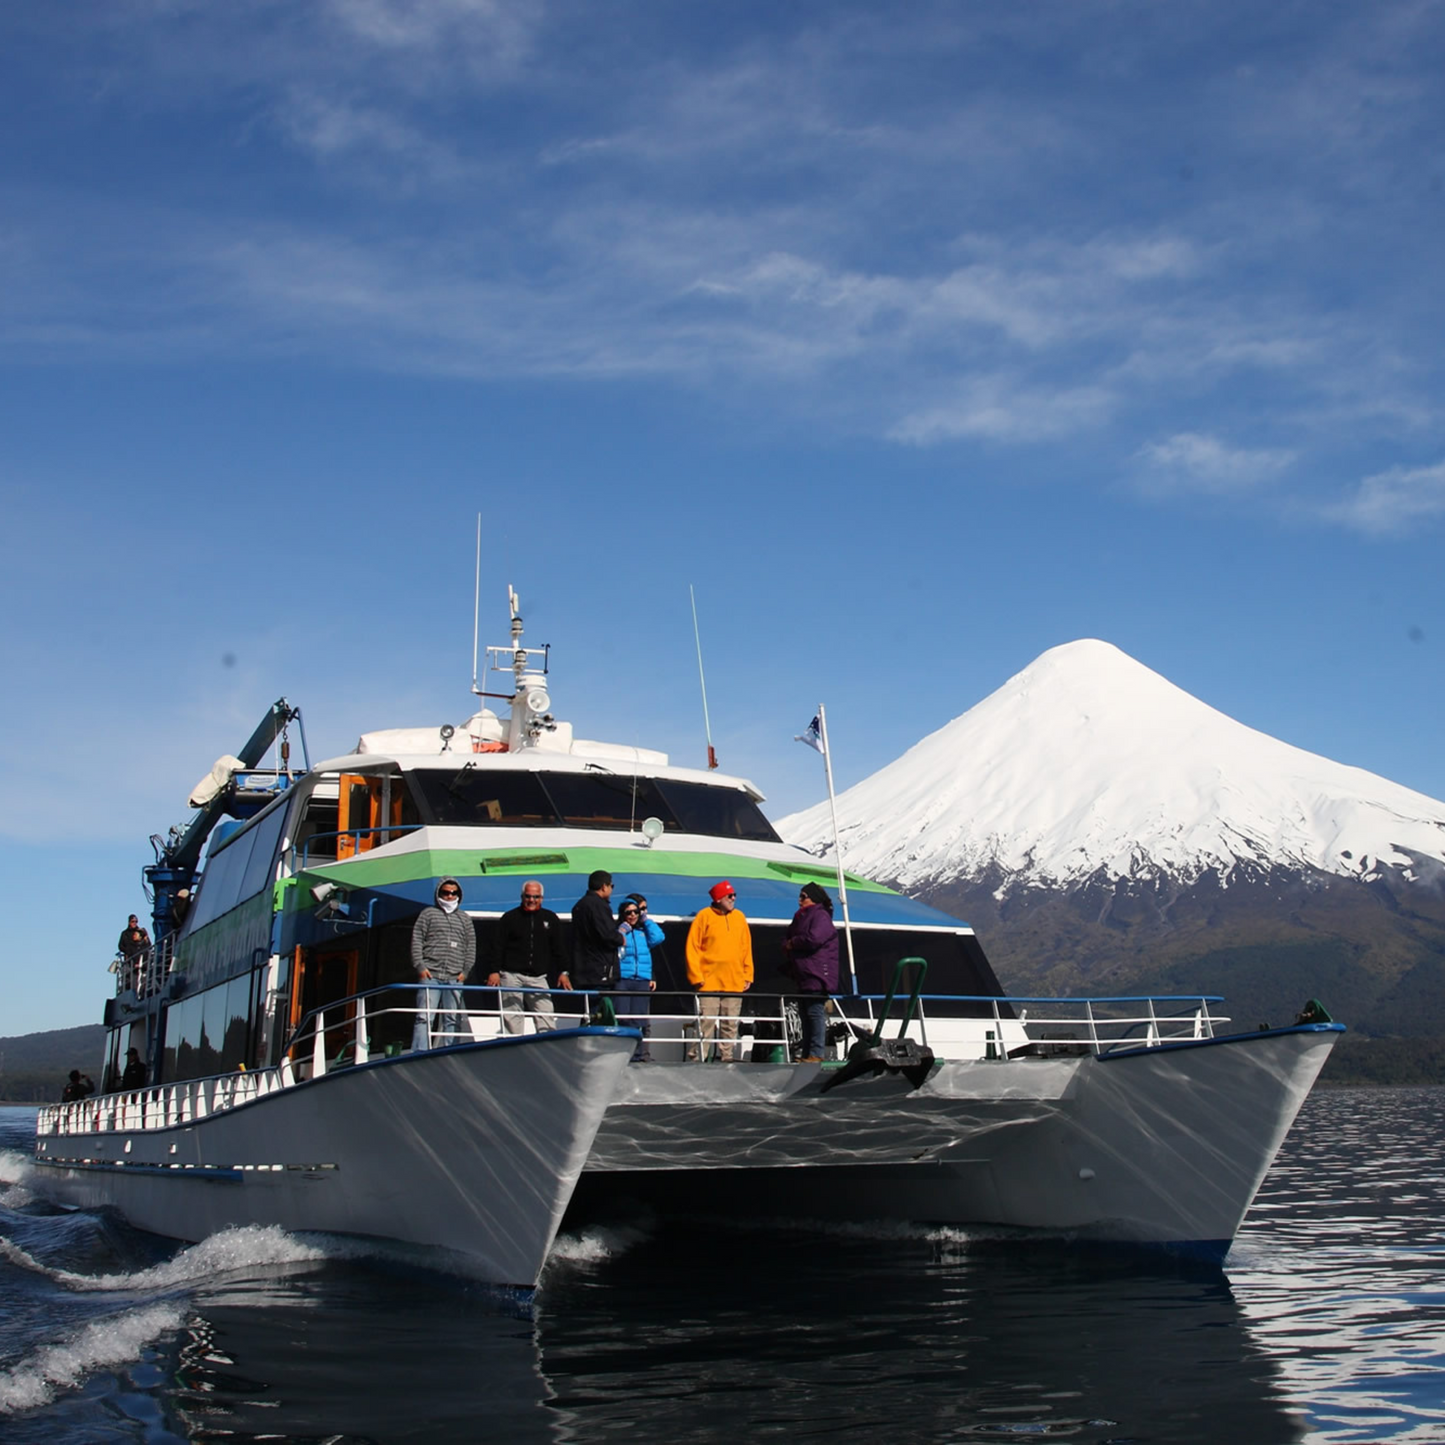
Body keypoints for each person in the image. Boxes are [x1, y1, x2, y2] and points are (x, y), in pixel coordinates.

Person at [685, 880, 753, 1062]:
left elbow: (746, 948)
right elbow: (693, 947)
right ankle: (697, 1058)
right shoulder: (704, 916)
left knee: (730, 1024)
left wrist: (748, 974)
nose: (733, 899)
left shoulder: (739, 917)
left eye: (734, 895)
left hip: (734, 981)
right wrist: (696, 976)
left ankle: (727, 1058)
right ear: (718, 898)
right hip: (708, 982)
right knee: (705, 1023)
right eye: (729, 896)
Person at [487, 881, 565, 1033]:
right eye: (528, 896)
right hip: (511, 976)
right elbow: (497, 946)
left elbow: (559, 948)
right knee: (512, 1019)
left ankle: (546, 1049)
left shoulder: (551, 918)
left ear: (542, 898)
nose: (532, 900)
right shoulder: (509, 918)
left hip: (538, 977)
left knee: (546, 1016)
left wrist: (564, 971)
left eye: (536, 897)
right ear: (522, 897)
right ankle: (512, 1050)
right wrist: (494, 970)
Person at [411, 877, 475, 1050]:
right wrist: (420, 966)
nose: (449, 896)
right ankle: (419, 1052)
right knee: (424, 1017)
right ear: (439, 893)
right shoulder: (428, 914)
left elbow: (471, 947)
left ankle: (450, 1052)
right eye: (445, 893)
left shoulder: (465, 919)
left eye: (453, 893)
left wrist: (465, 971)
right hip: (430, 974)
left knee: (453, 1018)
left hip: (455, 977)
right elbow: (417, 940)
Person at [782, 883, 840, 1062]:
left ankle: (816, 1053)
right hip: (803, 973)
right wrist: (787, 944)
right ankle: (808, 1053)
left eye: (803, 896)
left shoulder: (820, 915)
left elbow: (814, 938)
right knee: (805, 1015)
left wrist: (793, 943)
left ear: (813, 898)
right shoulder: (800, 916)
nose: (800, 900)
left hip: (816, 972)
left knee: (815, 1013)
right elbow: (788, 937)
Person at [562, 870, 626, 1019]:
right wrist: (620, 938)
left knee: (590, 1011)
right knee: (600, 1013)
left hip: (583, 969)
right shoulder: (598, 906)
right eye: (611, 886)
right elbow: (606, 934)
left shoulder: (579, 906)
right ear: (604, 886)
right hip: (599, 971)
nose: (611, 890)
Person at [612, 893, 665, 1061]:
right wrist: (620, 932)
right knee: (622, 1017)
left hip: (641, 979)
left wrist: (646, 920)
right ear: (622, 914)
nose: (633, 915)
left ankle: (637, 1055)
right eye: (629, 912)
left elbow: (659, 937)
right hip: (623, 978)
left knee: (639, 1020)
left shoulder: (643, 932)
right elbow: (610, 944)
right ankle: (622, 1054)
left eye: (636, 912)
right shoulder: (618, 931)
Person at [118, 914, 151, 990]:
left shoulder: (140, 932)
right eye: (133, 921)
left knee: (138, 977)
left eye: (136, 921)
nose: (135, 923)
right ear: (129, 922)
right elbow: (120, 946)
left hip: (138, 957)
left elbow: (147, 944)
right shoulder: (125, 933)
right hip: (129, 957)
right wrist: (127, 951)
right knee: (127, 977)